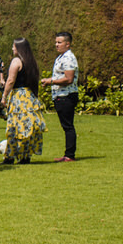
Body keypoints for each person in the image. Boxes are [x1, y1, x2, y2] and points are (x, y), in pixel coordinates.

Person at [1, 37, 47, 164]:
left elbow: (10, 80)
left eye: (13, 46)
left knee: (14, 127)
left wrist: (4, 96)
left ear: (19, 48)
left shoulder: (16, 61)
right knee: (27, 128)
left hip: (18, 97)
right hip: (29, 96)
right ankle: (25, 155)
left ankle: (10, 156)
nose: (12, 48)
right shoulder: (31, 61)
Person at [42, 30, 79, 162]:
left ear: (67, 44)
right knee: (66, 126)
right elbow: (60, 76)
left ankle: (69, 155)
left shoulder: (68, 58)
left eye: (59, 42)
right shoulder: (61, 57)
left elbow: (68, 79)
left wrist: (50, 81)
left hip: (66, 95)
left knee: (68, 126)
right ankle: (68, 154)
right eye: (56, 42)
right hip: (60, 95)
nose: (56, 45)